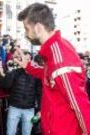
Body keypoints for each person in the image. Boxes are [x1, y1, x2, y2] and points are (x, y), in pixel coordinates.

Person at [16, 3, 90, 135]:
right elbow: (49, 77)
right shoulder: (55, 50)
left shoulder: (60, 58)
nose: (26, 34)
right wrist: (28, 66)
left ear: (38, 27)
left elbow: (79, 103)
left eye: (26, 28)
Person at [3, 50, 41, 135]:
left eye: (28, 59)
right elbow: (6, 85)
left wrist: (39, 109)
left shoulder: (36, 74)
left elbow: (39, 94)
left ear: (31, 61)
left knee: (26, 133)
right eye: (24, 59)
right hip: (14, 108)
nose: (26, 61)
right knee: (10, 133)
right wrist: (10, 70)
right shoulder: (15, 72)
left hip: (29, 109)